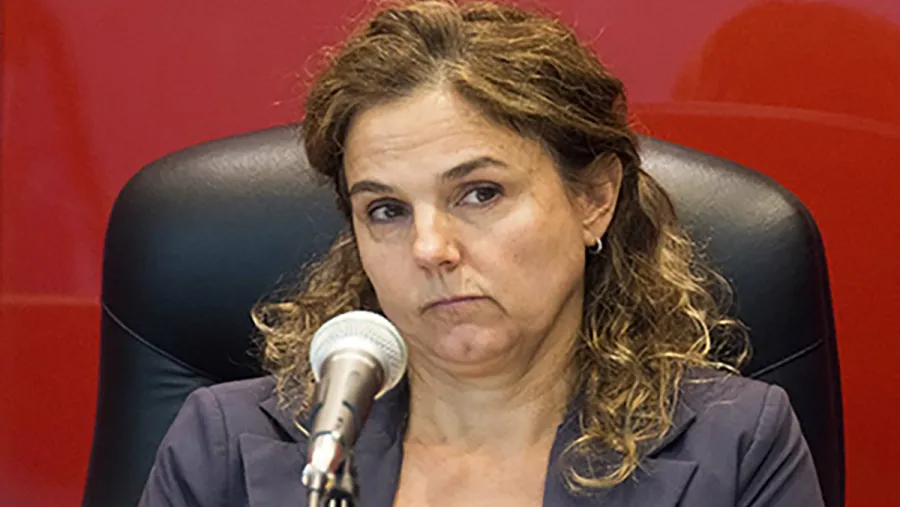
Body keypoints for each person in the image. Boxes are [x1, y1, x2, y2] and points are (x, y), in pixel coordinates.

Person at [138, 1, 825, 506]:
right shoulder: (225, 447)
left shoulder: (737, 446)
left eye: (480, 193)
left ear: (593, 198)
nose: (430, 248)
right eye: (386, 210)